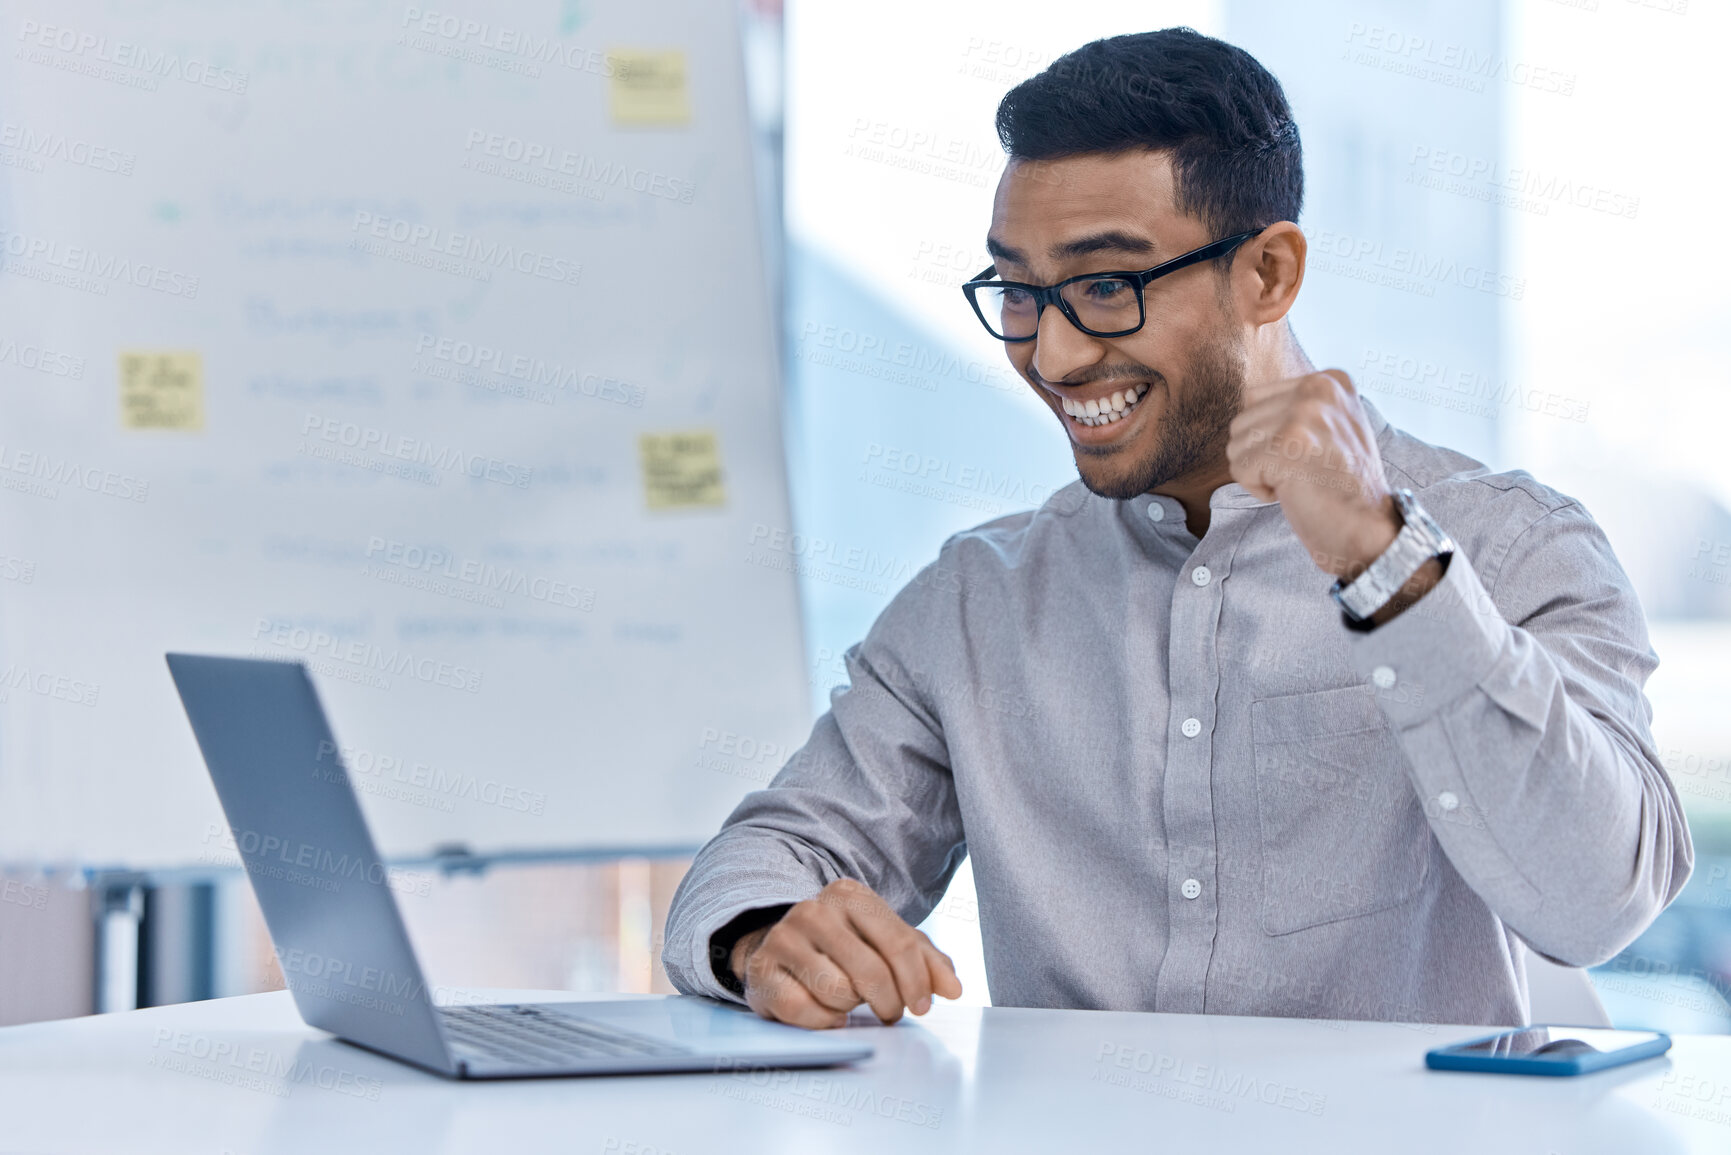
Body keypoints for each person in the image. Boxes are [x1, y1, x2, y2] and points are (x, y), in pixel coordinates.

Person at [663, 27, 1692, 1030]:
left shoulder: (1512, 548)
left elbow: (1600, 900)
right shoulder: (977, 602)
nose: (1054, 355)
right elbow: (761, 861)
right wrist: (765, 938)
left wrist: (1386, 567)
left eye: (1108, 287)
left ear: (1268, 275)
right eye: (1021, 292)